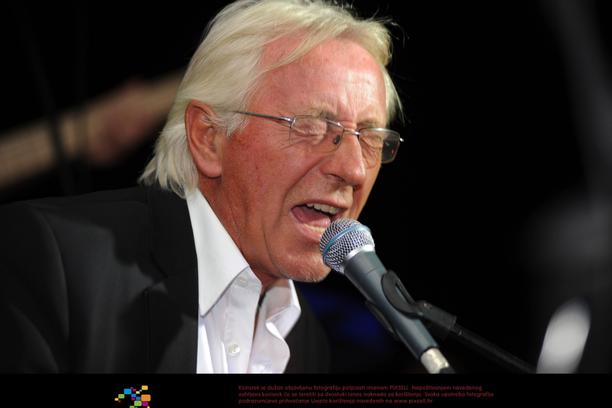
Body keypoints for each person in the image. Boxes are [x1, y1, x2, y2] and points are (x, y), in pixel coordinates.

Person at [0, 0, 403, 373]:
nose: (354, 169)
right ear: (208, 138)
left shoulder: (305, 341)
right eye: (313, 126)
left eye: (370, 137)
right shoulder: (57, 263)